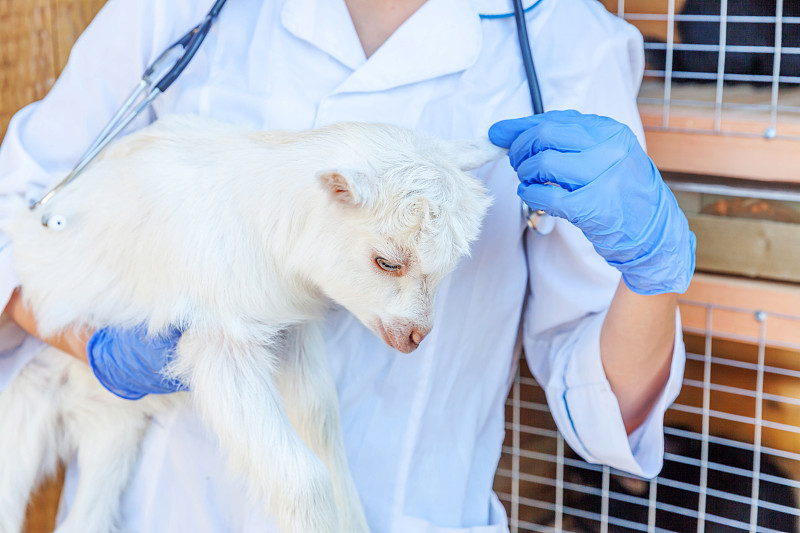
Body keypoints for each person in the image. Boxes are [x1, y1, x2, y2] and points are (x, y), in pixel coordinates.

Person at [0, 0, 695, 531]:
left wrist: (652, 273)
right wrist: (93, 341)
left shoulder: (564, 44)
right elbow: (17, 213)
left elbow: (602, 401)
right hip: (165, 505)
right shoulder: (183, 7)